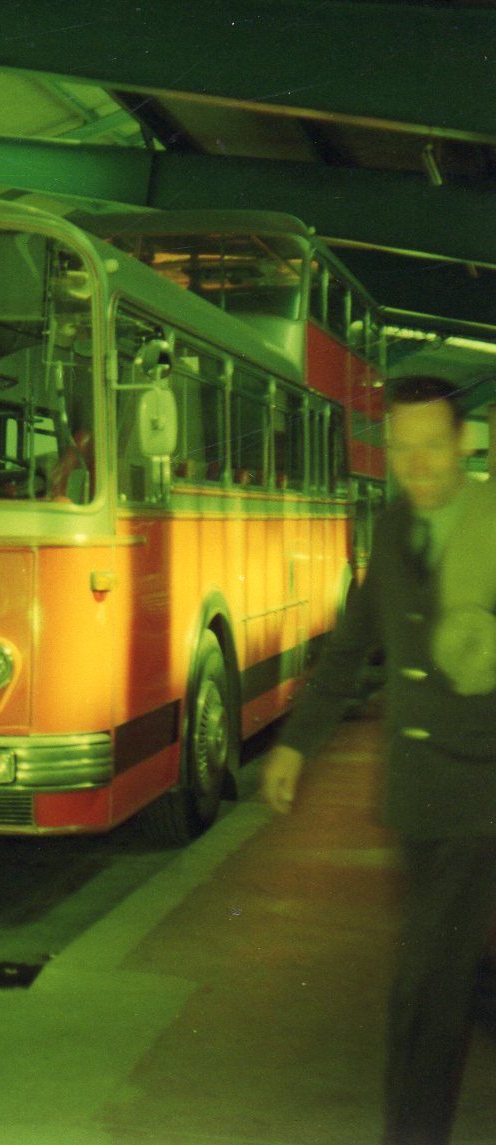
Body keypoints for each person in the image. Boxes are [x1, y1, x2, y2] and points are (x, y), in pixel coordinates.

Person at [262, 374, 496, 1145]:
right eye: (402, 447)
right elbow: (350, 643)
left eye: (431, 444)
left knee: (425, 982)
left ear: (461, 442)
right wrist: (297, 741)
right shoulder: (392, 530)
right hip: (414, 794)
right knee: (449, 967)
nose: (417, 462)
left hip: (481, 794)